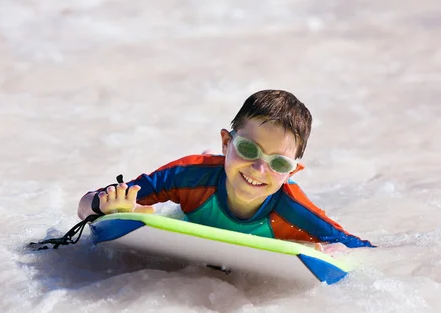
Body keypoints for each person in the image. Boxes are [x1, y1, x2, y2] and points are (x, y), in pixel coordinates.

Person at [77, 89, 374, 250]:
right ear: (225, 142)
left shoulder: (293, 210)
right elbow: (85, 204)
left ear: (292, 173)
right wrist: (105, 205)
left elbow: (358, 249)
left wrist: (329, 252)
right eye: (248, 149)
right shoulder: (190, 176)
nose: (259, 168)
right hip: (209, 176)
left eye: (278, 163)